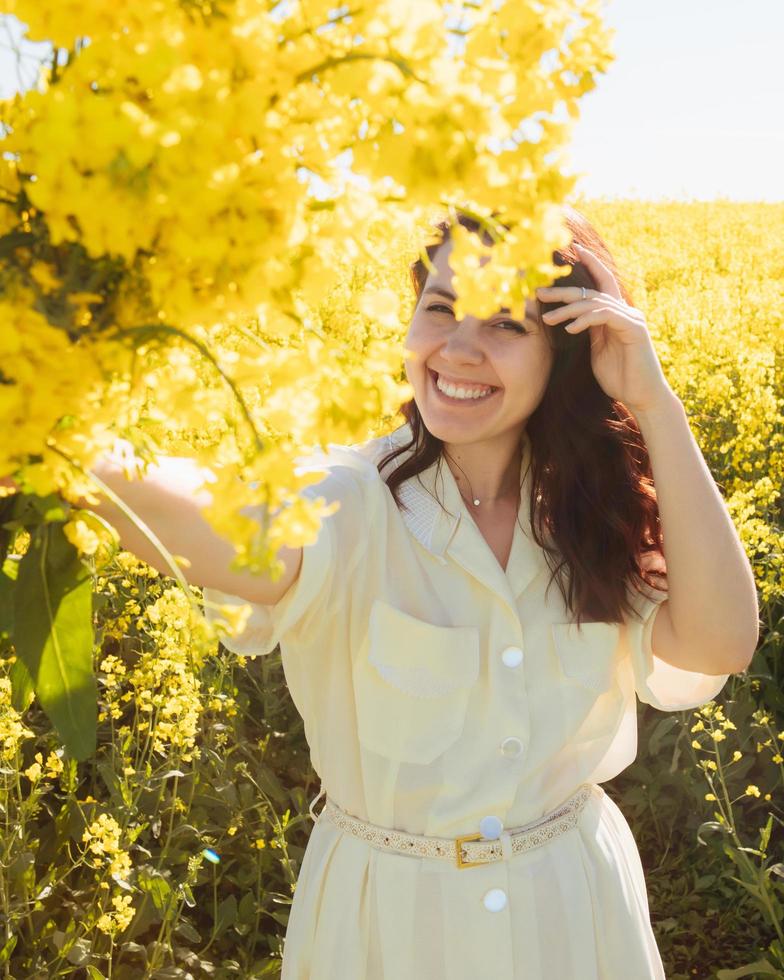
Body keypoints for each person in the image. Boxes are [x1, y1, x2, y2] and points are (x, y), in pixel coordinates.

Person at [3, 206, 755, 978]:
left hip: (572, 913)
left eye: (503, 324)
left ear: (564, 356)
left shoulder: (589, 516)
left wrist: (654, 404)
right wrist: (54, 448)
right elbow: (222, 513)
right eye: (440, 309)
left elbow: (720, 642)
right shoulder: (350, 499)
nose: (458, 349)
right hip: (392, 933)